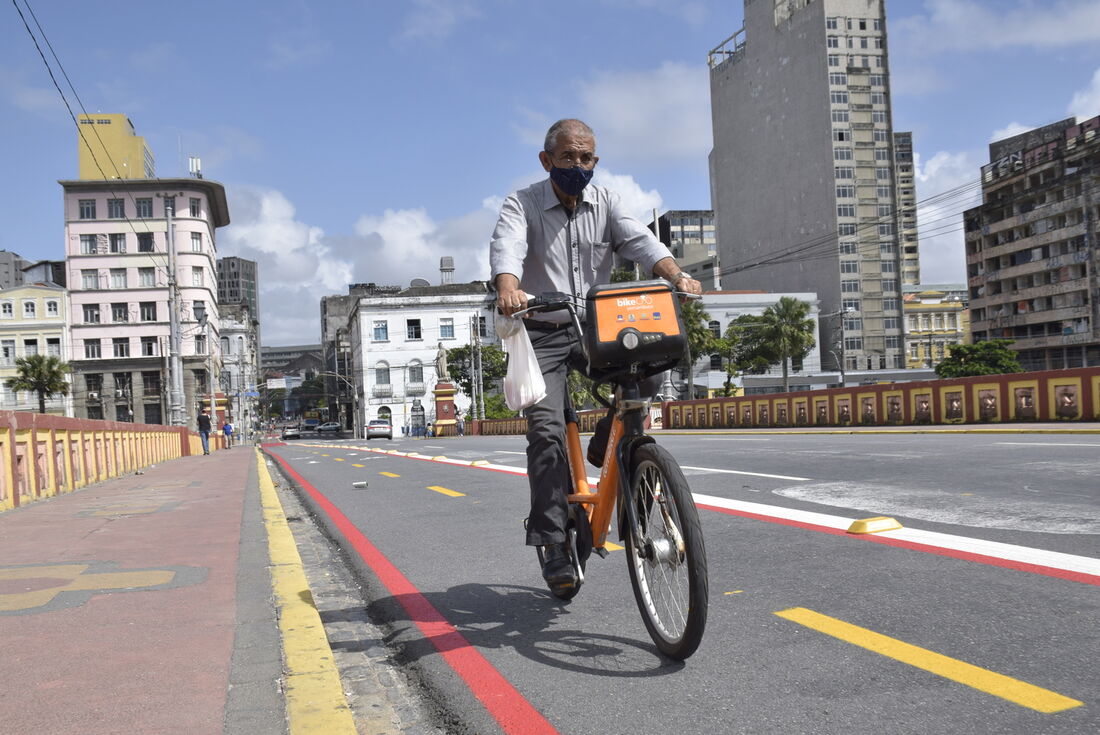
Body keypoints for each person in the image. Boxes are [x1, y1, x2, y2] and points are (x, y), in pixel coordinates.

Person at [490, 118, 702, 594]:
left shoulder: (606, 202)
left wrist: (676, 275)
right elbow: (507, 246)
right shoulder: (521, 204)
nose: (578, 166)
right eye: (568, 157)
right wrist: (508, 287)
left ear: (595, 162)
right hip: (542, 331)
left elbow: (640, 241)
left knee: (647, 371)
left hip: (596, 328)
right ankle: (553, 543)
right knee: (545, 433)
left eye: (586, 158)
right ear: (547, 161)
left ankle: (612, 433)